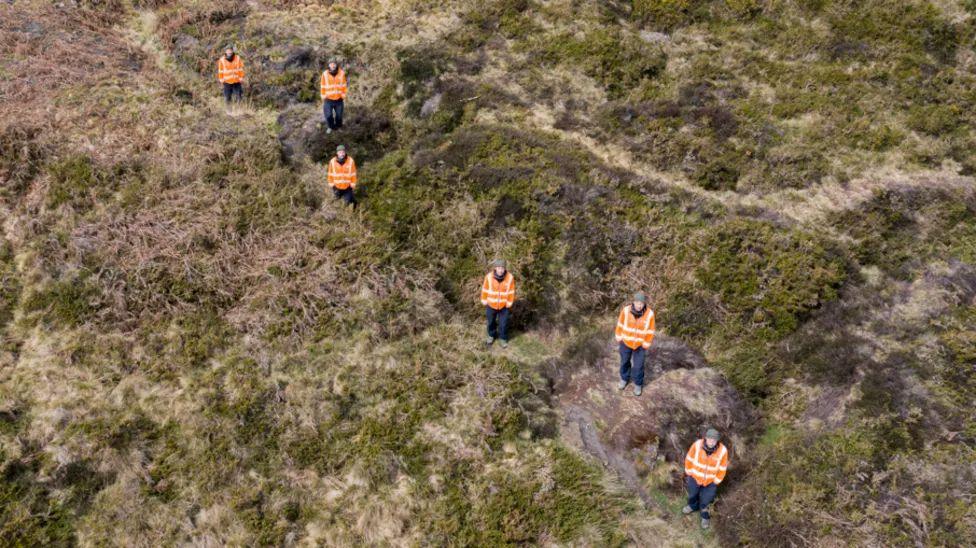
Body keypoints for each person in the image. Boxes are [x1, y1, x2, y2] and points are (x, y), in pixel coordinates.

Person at [683, 428, 729, 530]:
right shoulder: (697, 445)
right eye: (710, 439)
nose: (712, 442)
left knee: (707, 499)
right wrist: (689, 472)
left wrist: (716, 481)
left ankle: (705, 517)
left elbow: (723, 467)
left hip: (710, 481)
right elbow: (689, 458)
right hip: (694, 477)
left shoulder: (723, 450)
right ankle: (692, 506)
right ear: (706, 438)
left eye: (714, 440)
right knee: (692, 494)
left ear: (717, 440)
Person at [614, 291, 655, 396]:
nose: (639, 305)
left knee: (638, 366)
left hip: (640, 345)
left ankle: (638, 384)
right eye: (637, 303)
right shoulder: (626, 310)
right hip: (626, 342)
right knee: (624, 362)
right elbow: (620, 324)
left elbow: (651, 330)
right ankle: (624, 378)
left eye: (641, 303)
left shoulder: (649, 314)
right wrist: (619, 337)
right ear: (634, 302)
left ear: (644, 303)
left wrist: (646, 343)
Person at [480, 259, 515, 348]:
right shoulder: (488, 277)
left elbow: (511, 291)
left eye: (502, 268)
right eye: (499, 268)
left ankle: (503, 338)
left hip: (504, 305)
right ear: (495, 268)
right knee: (491, 322)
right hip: (491, 304)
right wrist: (484, 299)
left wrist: (509, 302)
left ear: (505, 268)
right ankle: (491, 335)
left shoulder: (510, 277)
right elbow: (485, 289)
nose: (500, 270)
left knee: (503, 323)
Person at [320, 59, 347, 133]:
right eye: (331, 64)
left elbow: (344, 85)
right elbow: (323, 85)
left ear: (336, 64)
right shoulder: (325, 74)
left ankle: (339, 127)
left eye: (334, 63)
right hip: (328, 99)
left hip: (339, 99)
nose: (333, 65)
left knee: (339, 116)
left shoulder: (341, 73)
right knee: (328, 116)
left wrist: (343, 95)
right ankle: (331, 127)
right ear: (328, 65)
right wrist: (323, 95)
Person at [217, 45, 245, 111]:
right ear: (225, 51)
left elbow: (241, 68)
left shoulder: (237, 58)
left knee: (239, 96)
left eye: (230, 50)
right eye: (227, 50)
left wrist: (241, 77)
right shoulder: (222, 60)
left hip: (237, 80)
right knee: (228, 97)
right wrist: (221, 79)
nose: (229, 52)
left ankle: (239, 110)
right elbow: (220, 70)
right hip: (227, 81)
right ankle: (229, 111)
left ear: (232, 51)